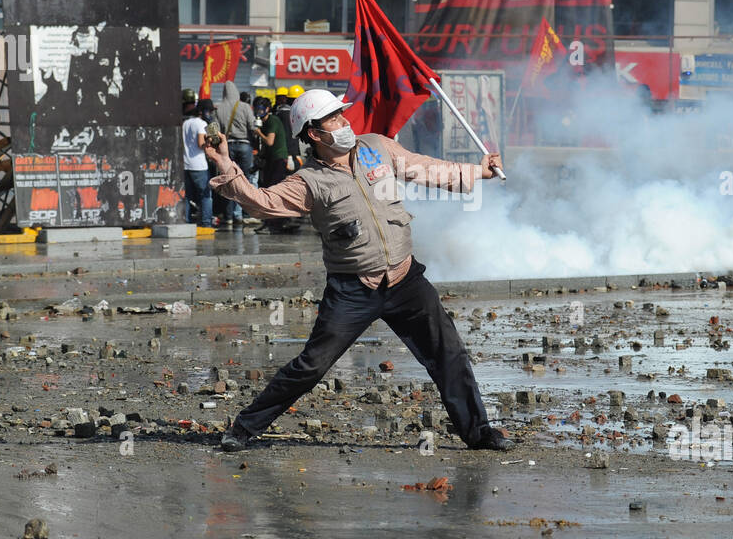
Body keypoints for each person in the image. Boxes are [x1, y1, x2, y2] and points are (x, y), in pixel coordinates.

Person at [207, 88, 512, 453]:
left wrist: (477, 171)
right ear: (314, 134)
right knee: (312, 366)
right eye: (333, 118)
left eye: (341, 114)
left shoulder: (376, 148)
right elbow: (264, 203)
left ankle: (479, 434)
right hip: (353, 290)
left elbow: (424, 167)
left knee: (450, 352)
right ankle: (243, 427)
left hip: (405, 279)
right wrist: (227, 167)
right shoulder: (309, 182)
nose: (344, 122)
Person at [214, 81, 254, 227]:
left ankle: (229, 216)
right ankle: (245, 214)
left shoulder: (219, 109)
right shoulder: (244, 106)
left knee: (229, 181)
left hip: (228, 147)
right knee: (245, 181)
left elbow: (216, 131)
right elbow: (252, 126)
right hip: (244, 145)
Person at [252, 94, 293, 234]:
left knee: (274, 192)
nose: (258, 112)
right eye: (256, 109)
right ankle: (270, 222)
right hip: (271, 159)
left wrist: (258, 133)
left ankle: (276, 223)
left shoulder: (273, 120)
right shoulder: (264, 122)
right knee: (267, 190)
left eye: (261, 109)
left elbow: (269, 141)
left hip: (278, 159)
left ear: (267, 109)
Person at [182, 89, 214, 227]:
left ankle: (187, 220)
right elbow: (201, 144)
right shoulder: (201, 124)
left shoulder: (186, 123)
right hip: (199, 165)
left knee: (187, 196)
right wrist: (210, 141)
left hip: (186, 164)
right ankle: (206, 222)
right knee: (206, 195)